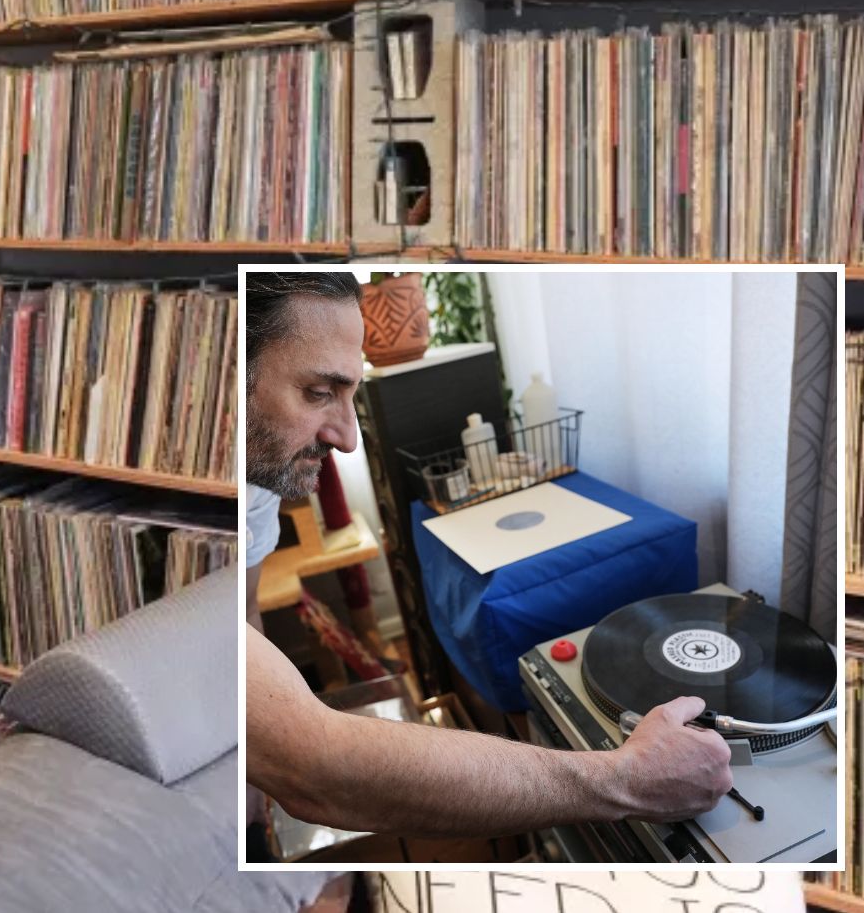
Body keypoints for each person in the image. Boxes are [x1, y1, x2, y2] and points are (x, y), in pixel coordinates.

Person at [241, 271, 735, 839]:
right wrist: (628, 779)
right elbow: (319, 769)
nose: (348, 439)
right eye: (318, 393)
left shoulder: (255, 480)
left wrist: (251, 743)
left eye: (351, 395)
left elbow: (244, 611)